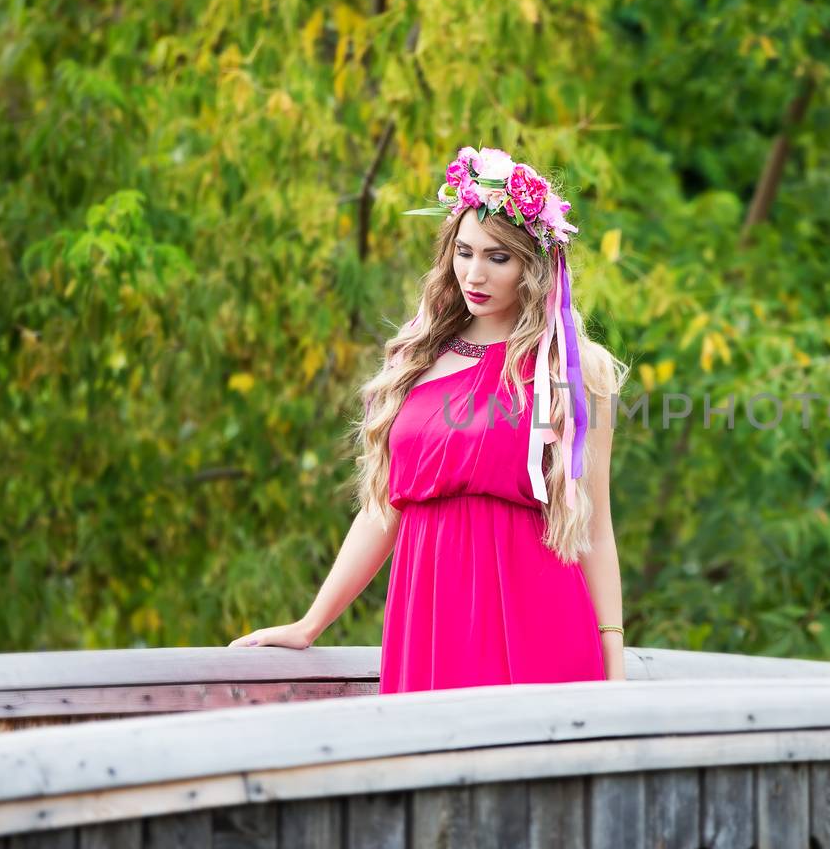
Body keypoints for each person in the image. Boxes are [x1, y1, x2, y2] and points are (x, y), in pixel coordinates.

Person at [229, 146, 629, 691]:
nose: (474, 273)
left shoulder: (570, 370)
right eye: (464, 252)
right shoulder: (416, 359)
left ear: (534, 266)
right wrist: (309, 625)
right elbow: (382, 511)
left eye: (498, 257)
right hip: (428, 618)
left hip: (536, 619)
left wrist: (614, 659)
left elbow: (594, 528)